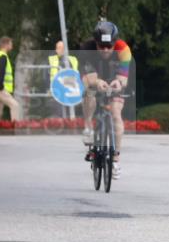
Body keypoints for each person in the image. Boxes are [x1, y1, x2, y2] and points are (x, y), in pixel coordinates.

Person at [79, 19, 132, 179]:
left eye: (110, 46)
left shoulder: (123, 49)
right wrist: (97, 82)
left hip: (112, 75)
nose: (106, 50)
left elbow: (123, 77)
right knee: (90, 91)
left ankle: (115, 159)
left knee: (116, 114)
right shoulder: (86, 49)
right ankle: (88, 127)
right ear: (95, 43)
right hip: (93, 75)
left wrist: (118, 83)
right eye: (102, 46)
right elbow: (90, 78)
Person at [0, 36, 20, 124]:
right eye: (10, 43)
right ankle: (16, 128)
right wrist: (0, 87)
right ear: (6, 45)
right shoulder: (2, 57)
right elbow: (0, 72)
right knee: (15, 105)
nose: (12, 45)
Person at [48, 40, 79, 118]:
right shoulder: (51, 60)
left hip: (71, 90)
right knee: (59, 114)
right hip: (56, 90)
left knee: (71, 115)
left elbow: (77, 74)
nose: (61, 49)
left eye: (63, 48)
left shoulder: (73, 59)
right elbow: (45, 75)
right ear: (56, 50)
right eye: (59, 48)